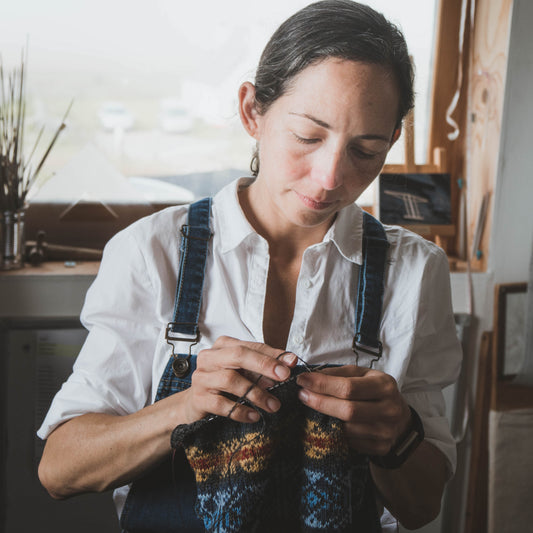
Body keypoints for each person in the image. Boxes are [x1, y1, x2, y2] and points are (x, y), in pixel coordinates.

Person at [37, 1, 461, 531]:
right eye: (308, 137)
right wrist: (186, 406)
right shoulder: (151, 252)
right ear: (252, 111)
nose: (330, 177)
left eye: (366, 150)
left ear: (392, 141)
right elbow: (59, 470)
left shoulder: (414, 271)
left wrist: (397, 436)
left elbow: (422, 508)